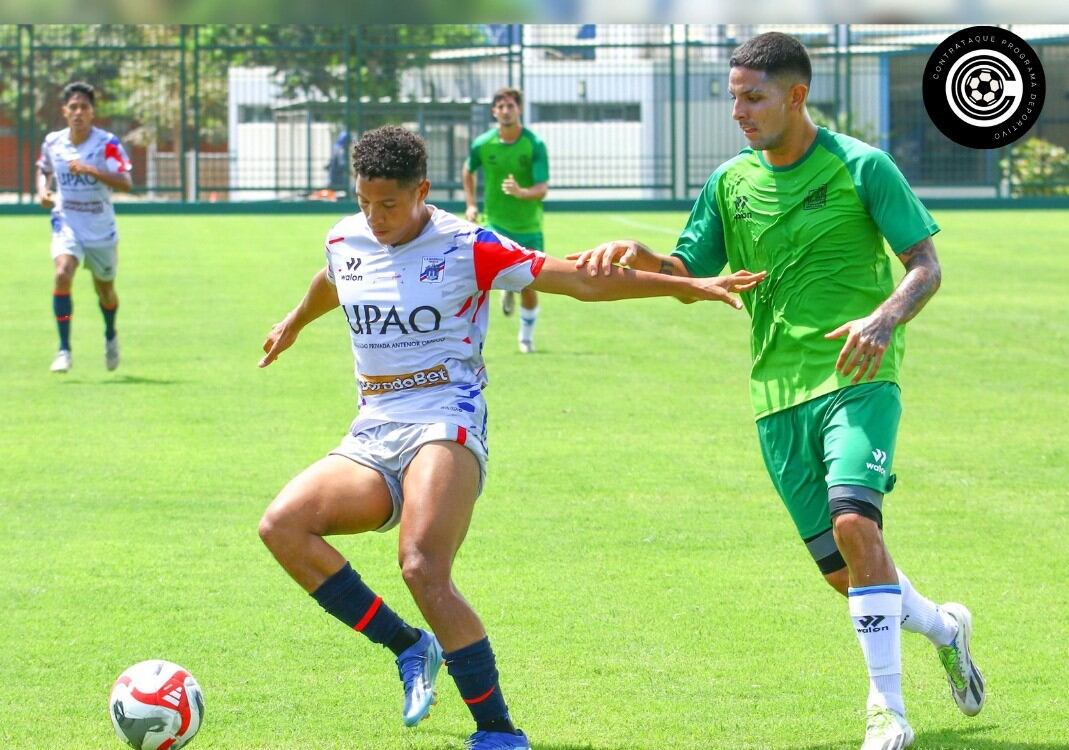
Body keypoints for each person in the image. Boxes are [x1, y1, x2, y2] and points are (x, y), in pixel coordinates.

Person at [256, 125, 763, 750]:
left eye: (389, 204)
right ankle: (409, 646)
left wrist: (686, 285)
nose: (375, 216)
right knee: (282, 526)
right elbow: (333, 279)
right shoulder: (346, 236)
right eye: (365, 202)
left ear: (422, 191)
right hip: (374, 425)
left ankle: (498, 732)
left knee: (421, 566)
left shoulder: (468, 246)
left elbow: (577, 278)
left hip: (448, 417)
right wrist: (294, 323)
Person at [570, 32, 984, 750]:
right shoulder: (729, 182)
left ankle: (886, 712)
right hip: (774, 394)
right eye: (732, 96)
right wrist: (635, 258)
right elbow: (687, 274)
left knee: (857, 526)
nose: (738, 109)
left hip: (857, 375)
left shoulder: (862, 167)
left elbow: (925, 264)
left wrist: (882, 321)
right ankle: (944, 628)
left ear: (795, 95)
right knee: (843, 575)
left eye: (752, 96)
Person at [36, 81, 132, 373]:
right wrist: (42, 191)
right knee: (62, 274)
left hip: (100, 228)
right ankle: (64, 349)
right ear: (65, 111)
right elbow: (44, 169)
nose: (78, 112)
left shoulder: (108, 144)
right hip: (67, 221)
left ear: (92, 113)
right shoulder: (53, 142)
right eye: (73, 107)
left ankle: (111, 334)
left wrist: (90, 169)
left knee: (105, 292)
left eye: (84, 107)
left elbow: (126, 183)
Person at [462, 87, 548, 353]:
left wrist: (522, 192)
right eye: (501, 106)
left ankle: (526, 338)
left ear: (519, 109)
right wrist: (471, 204)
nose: (506, 110)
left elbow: (542, 188)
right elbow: (468, 170)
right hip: (495, 225)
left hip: (528, 227)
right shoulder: (483, 144)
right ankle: (470, 342)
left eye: (511, 106)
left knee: (531, 286)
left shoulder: (533, 144)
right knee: (475, 281)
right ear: (494, 112)